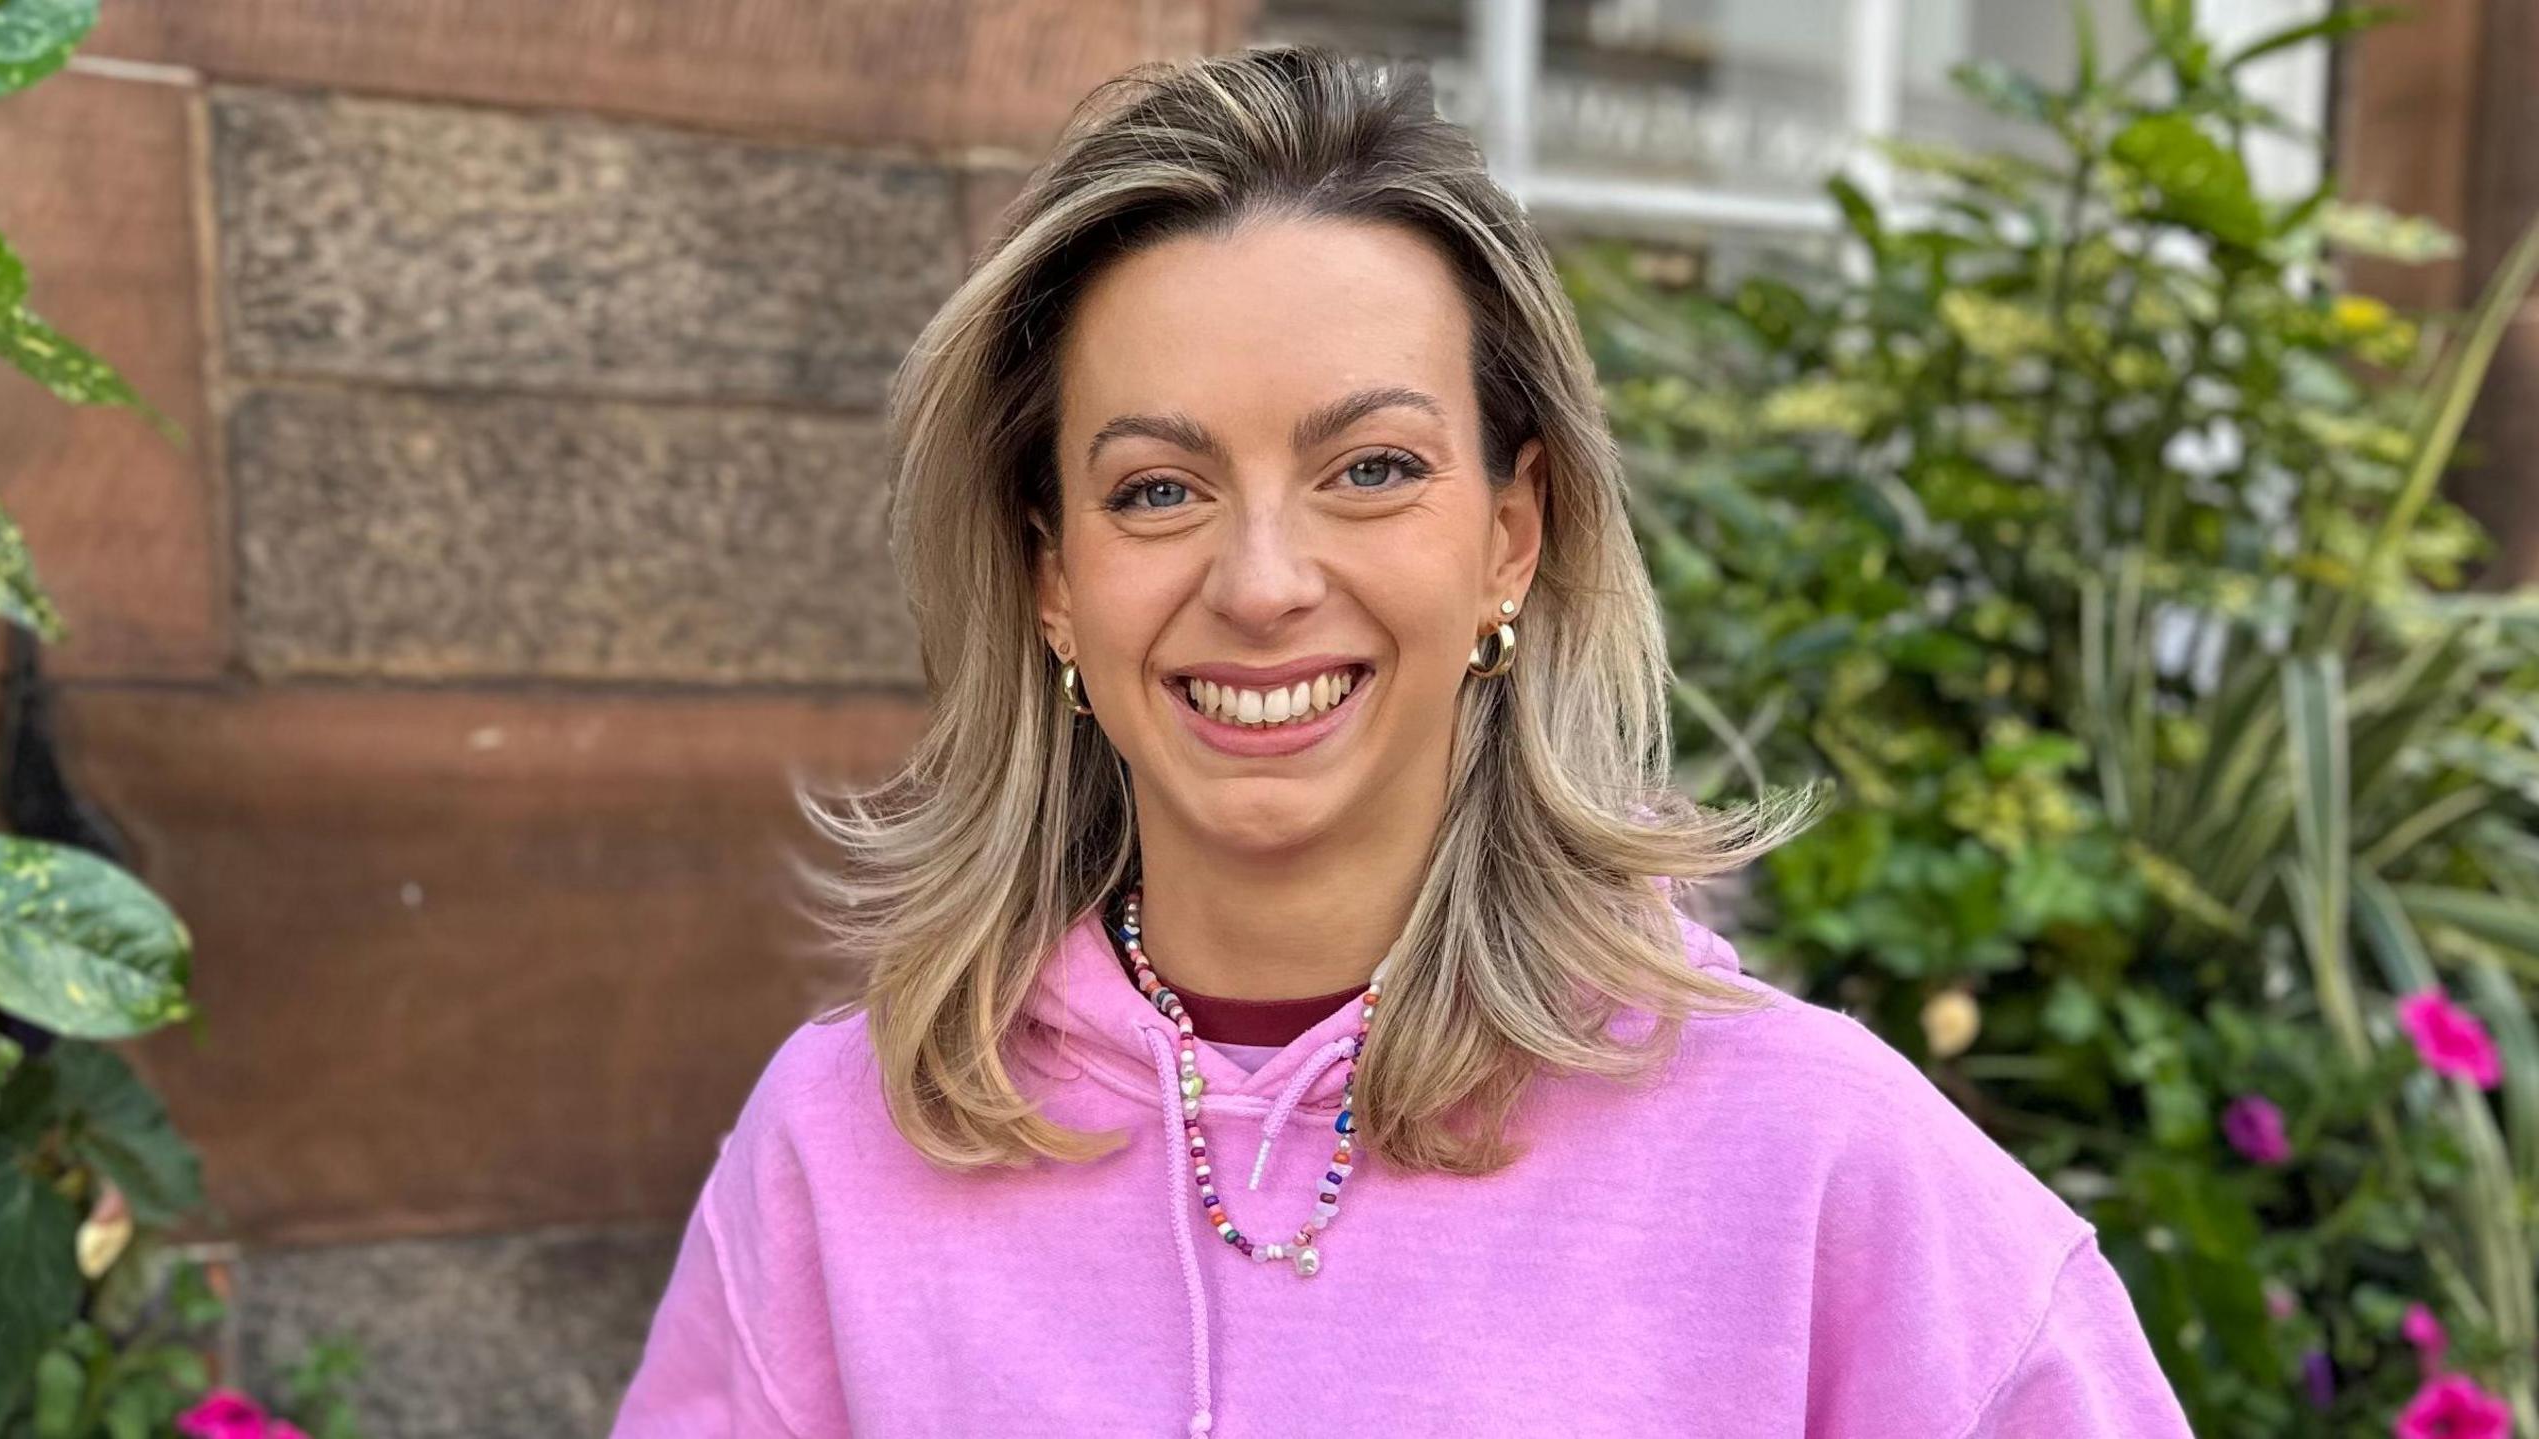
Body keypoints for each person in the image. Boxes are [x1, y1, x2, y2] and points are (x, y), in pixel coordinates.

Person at [611, 43, 2192, 1438]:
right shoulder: (848, 1151)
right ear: (1053, 584)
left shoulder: (1826, 1177)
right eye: (1159, 489)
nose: (1262, 584)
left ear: (1512, 536)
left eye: (1371, 469)